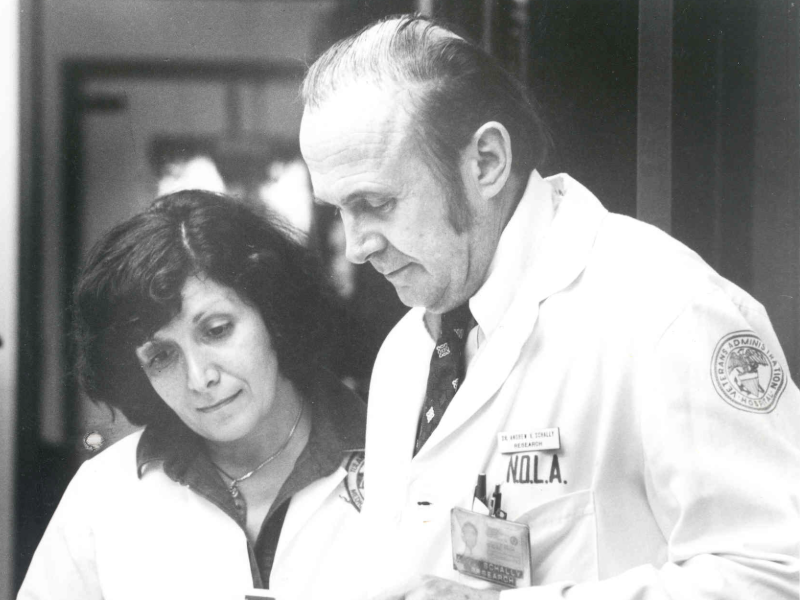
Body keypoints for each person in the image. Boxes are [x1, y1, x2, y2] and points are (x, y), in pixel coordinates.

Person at [299, 14, 800, 600]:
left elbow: (777, 571)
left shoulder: (667, 312)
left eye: (375, 203)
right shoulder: (407, 355)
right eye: (339, 210)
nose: (356, 246)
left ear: (486, 161)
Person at [18, 190, 366, 600]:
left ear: (274, 313)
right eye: (162, 356)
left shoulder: (399, 457)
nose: (199, 379)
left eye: (216, 330)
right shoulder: (102, 495)